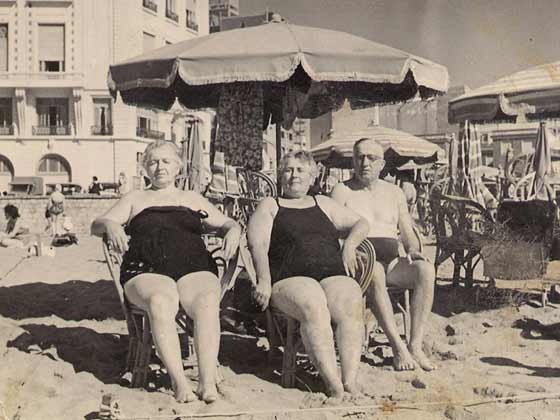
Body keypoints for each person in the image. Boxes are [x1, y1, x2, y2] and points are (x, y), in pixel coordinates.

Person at [91, 140, 242, 403]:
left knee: (207, 302)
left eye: (166, 161)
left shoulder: (192, 198)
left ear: (178, 167)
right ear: (145, 168)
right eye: (153, 162)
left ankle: (207, 383)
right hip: (145, 268)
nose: (159, 167)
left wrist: (234, 230)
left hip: (193, 267)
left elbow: (227, 222)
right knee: (161, 302)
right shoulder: (135, 198)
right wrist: (110, 224)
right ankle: (180, 382)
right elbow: (95, 226)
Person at [247, 150, 370, 403]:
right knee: (313, 304)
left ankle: (350, 380)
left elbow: (362, 223)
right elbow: (257, 244)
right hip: (290, 278)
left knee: (350, 301)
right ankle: (332, 383)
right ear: (281, 175)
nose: (294, 176)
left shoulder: (322, 202)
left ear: (312, 176)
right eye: (289, 170)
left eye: (301, 170)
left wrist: (349, 246)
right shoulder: (271, 205)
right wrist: (264, 280)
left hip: (331, 273)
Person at [331, 138, 436, 372]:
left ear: (382, 164)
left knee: (425, 270)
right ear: (353, 161)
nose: (364, 162)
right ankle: (398, 347)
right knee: (375, 270)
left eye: (371, 158)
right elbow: (331, 231)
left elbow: (406, 231)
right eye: (359, 157)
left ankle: (415, 345)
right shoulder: (342, 190)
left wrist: (412, 250)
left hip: (391, 263)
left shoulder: (394, 192)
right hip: (357, 264)